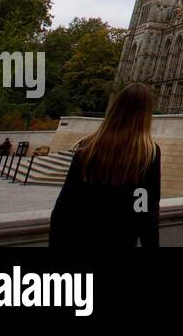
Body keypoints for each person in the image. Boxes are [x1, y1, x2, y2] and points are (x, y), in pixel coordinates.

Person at [50, 82, 161, 248]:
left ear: (115, 108)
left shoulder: (88, 147)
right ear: (146, 114)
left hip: (79, 238)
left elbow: (65, 205)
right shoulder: (147, 154)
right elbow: (145, 211)